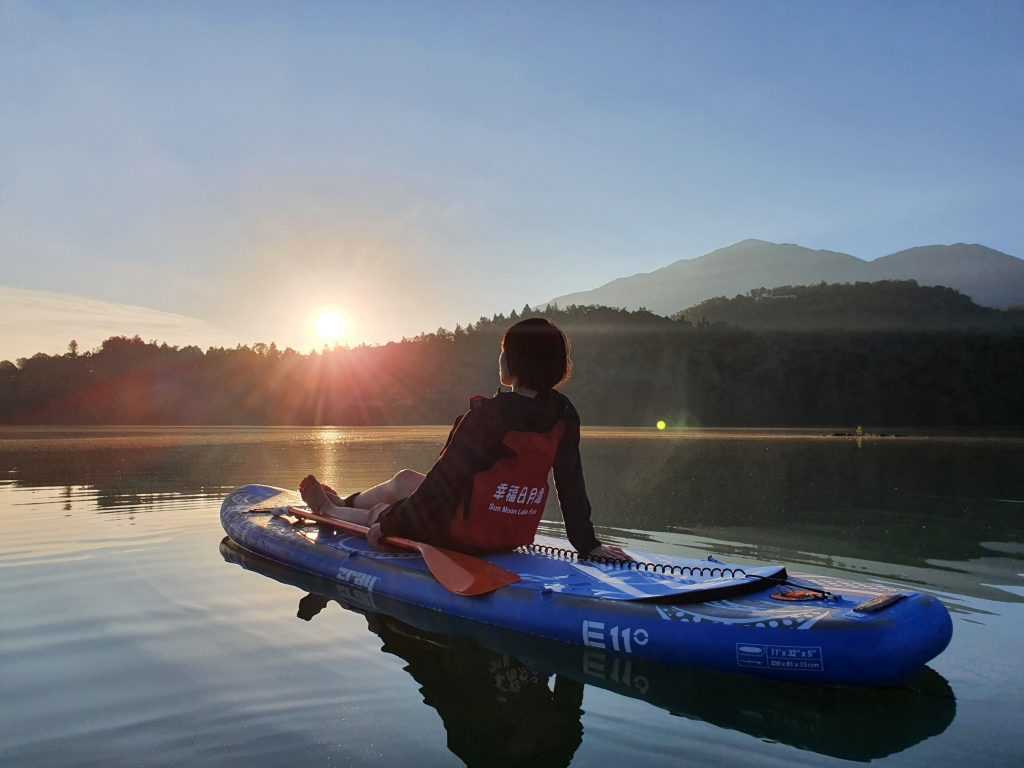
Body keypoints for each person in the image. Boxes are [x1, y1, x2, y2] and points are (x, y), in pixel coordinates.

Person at [299, 317, 629, 560]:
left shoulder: (488, 416)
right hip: (512, 531)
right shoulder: (564, 413)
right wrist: (588, 544)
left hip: (464, 533)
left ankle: (330, 511)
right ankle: (346, 501)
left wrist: (387, 527)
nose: (499, 358)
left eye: (503, 351)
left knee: (389, 511)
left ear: (513, 362)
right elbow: (570, 482)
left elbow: (442, 484)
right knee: (404, 481)